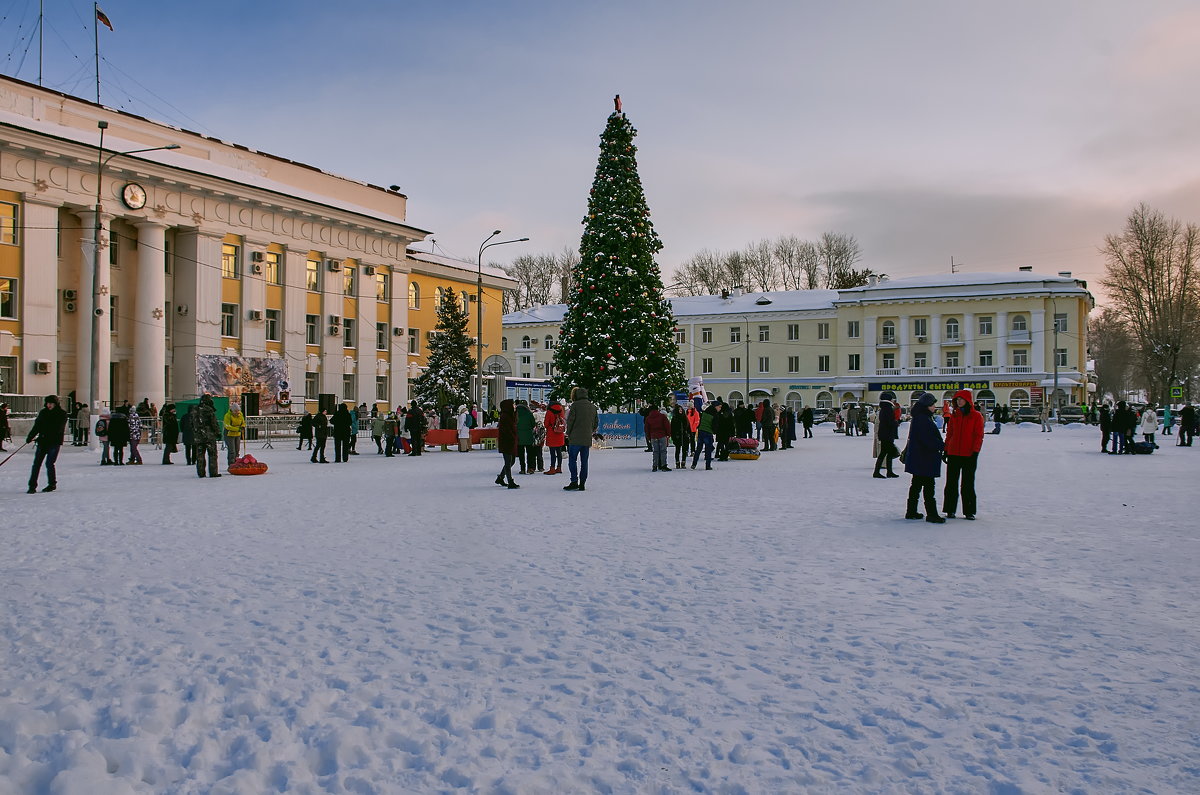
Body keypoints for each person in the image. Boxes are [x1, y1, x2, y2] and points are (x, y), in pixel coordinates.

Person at [902, 392, 946, 523]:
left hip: (919, 457)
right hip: (925, 458)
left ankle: (911, 511)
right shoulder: (923, 419)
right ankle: (931, 514)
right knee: (928, 486)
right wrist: (942, 446)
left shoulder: (920, 417)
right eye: (932, 405)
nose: (934, 407)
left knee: (916, 485)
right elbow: (928, 440)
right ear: (926, 406)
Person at [942, 389, 985, 520]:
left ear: (967, 401)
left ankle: (969, 511)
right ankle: (950, 509)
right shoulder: (954, 415)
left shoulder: (976, 416)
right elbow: (950, 434)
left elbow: (979, 435)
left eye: (961, 399)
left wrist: (975, 451)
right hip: (954, 453)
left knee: (967, 483)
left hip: (969, 454)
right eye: (956, 400)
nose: (958, 402)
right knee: (951, 483)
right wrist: (946, 449)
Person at [25, 394, 68, 493]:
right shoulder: (43, 413)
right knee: (36, 464)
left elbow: (58, 428)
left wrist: (45, 435)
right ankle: (32, 486)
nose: (49, 405)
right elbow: (37, 426)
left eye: (51, 403)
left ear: (55, 404)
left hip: (54, 442)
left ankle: (52, 484)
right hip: (42, 442)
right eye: (48, 403)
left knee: (49, 464)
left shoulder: (61, 414)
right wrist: (30, 436)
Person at [563, 386, 598, 491]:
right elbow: (596, 422)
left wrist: (568, 433)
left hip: (575, 438)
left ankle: (574, 481)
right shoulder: (592, 407)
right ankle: (582, 483)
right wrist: (590, 431)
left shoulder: (575, 406)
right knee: (584, 461)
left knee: (572, 460)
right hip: (586, 438)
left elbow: (570, 421)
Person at [192, 394, 222, 478]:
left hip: (198, 436)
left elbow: (192, 423)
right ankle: (213, 472)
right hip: (209, 436)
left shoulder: (195, 410)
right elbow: (214, 423)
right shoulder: (209, 410)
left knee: (200, 455)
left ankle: (201, 472)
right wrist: (218, 433)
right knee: (212, 454)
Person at [873, 391, 901, 479]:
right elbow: (889, 422)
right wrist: (896, 423)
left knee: (886, 452)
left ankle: (888, 471)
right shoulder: (888, 408)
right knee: (886, 452)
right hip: (887, 434)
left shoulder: (884, 408)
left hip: (884, 433)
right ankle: (879, 472)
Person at [495, 398, 520, 488]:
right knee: (508, 461)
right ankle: (510, 481)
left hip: (510, 441)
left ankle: (501, 477)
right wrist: (513, 437)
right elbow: (506, 430)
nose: (514, 406)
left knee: (511, 461)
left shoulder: (510, 415)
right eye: (513, 404)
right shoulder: (505, 416)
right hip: (507, 441)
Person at [645, 402, 672, 471]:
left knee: (655, 451)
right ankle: (663, 466)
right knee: (663, 451)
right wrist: (668, 434)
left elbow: (646, 429)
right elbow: (667, 426)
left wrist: (648, 437)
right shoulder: (662, 416)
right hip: (662, 435)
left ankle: (655, 466)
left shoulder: (648, 418)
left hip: (653, 436)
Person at [691, 403, 718, 470]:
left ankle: (694, 464)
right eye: (719, 407)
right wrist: (714, 431)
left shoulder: (704, 414)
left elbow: (700, 423)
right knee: (708, 450)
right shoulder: (714, 416)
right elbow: (714, 426)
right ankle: (708, 465)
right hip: (708, 433)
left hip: (701, 431)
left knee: (698, 449)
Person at [544, 397, 567, 475]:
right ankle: (559, 468)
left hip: (551, 434)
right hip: (560, 434)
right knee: (559, 452)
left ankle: (552, 468)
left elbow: (546, 424)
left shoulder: (549, 412)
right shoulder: (561, 410)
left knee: (552, 453)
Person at [516, 400, 537, 473]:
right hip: (528, 436)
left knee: (521, 454)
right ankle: (530, 468)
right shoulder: (529, 413)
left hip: (518, 436)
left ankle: (522, 469)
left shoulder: (515, 413)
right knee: (530, 453)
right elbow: (533, 424)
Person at [670, 403, 693, 469]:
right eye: (679, 409)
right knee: (677, 450)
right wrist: (674, 437)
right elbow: (672, 429)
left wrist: (690, 434)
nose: (680, 410)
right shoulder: (674, 418)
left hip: (685, 436)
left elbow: (688, 427)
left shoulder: (685, 418)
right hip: (677, 436)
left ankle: (683, 462)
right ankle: (677, 462)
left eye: (681, 409)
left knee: (684, 450)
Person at [223, 402, 246, 466]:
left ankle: (237, 462)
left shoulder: (240, 414)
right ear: (232, 410)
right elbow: (227, 426)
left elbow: (243, 422)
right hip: (229, 435)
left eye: (238, 411)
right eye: (235, 411)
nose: (237, 412)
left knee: (237, 450)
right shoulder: (228, 415)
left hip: (237, 435)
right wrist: (237, 429)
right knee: (232, 450)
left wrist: (243, 426)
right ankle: (231, 464)